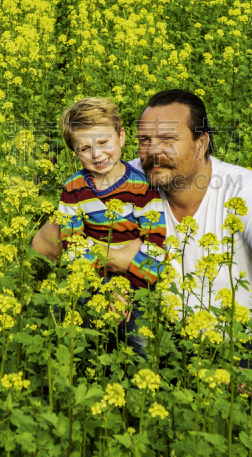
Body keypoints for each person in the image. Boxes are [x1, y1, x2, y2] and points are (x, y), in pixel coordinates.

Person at [33, 90, 252, 383]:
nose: (154, 151)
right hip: (162, 346)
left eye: (168, 139)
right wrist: (111, 265)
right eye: (145, 141)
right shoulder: (125, 178)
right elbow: (43, 244)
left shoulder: (242, 189)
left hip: (238, 355)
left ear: (201, 143)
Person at [52, 97, 168, 356]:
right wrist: (100, 288)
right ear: (75, 152)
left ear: (121, 137)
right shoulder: (73, 189)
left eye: (104, 143)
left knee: (138, 338)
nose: (97, 154)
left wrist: (126, 288)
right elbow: (72, 244)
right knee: (64, 316)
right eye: (84, 148)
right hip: (92, 276)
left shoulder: (144, 187)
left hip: (137, 279)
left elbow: (156, 243)